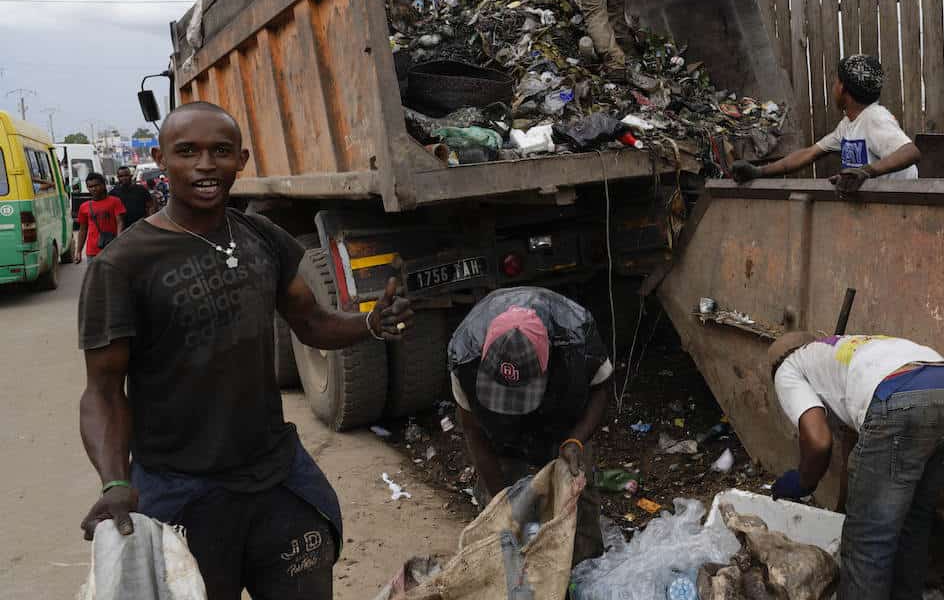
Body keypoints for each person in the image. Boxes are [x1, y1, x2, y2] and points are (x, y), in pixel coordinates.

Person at [77, 101, 414, 600]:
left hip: (277, 476)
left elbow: (311, 322)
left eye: (221, 151)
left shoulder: (261, 236)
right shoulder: (121, 266)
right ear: (161, 159)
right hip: (180, 489)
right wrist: (114, 483)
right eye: (187, 151)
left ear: (243, 159)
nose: (205, 165)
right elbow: (103, 392)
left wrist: (369, 323)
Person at [767, 330, 944, 600]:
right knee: (913, 521)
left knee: (867, 542)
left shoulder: (788, 368)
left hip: (901, 399)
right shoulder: (851, 349)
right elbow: (862, 448)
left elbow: (818, 442)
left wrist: (802, 481)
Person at [448, 287, 612, 565]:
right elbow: (474, 431)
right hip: (500, 430)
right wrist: (501, 503)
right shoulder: (465, 355)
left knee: (578, 495)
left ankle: (585, 568)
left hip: (563, 416)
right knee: (500, 517)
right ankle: (507, 567)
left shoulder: (577, 337)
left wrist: (576, 441)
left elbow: (602, 388)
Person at [731, 54, 921, 196]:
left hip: (898, 205)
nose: (834, 87)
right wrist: (759, 171)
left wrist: (866, 171)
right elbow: (809, 153)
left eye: (836, 82)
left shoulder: (874, 118)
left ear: (843, 89)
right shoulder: (848, 125)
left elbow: (911, 152)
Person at [74, 172, 125, 263]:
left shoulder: (115, 201)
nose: (93, 189)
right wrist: (78, 251)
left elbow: (120, 222)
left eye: (96, 185)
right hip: (92, 252)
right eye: (90, 187)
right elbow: (83, 230)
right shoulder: (84, 207)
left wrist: (119, 242)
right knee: (94, 277)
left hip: (112, 249)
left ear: (103, 185)